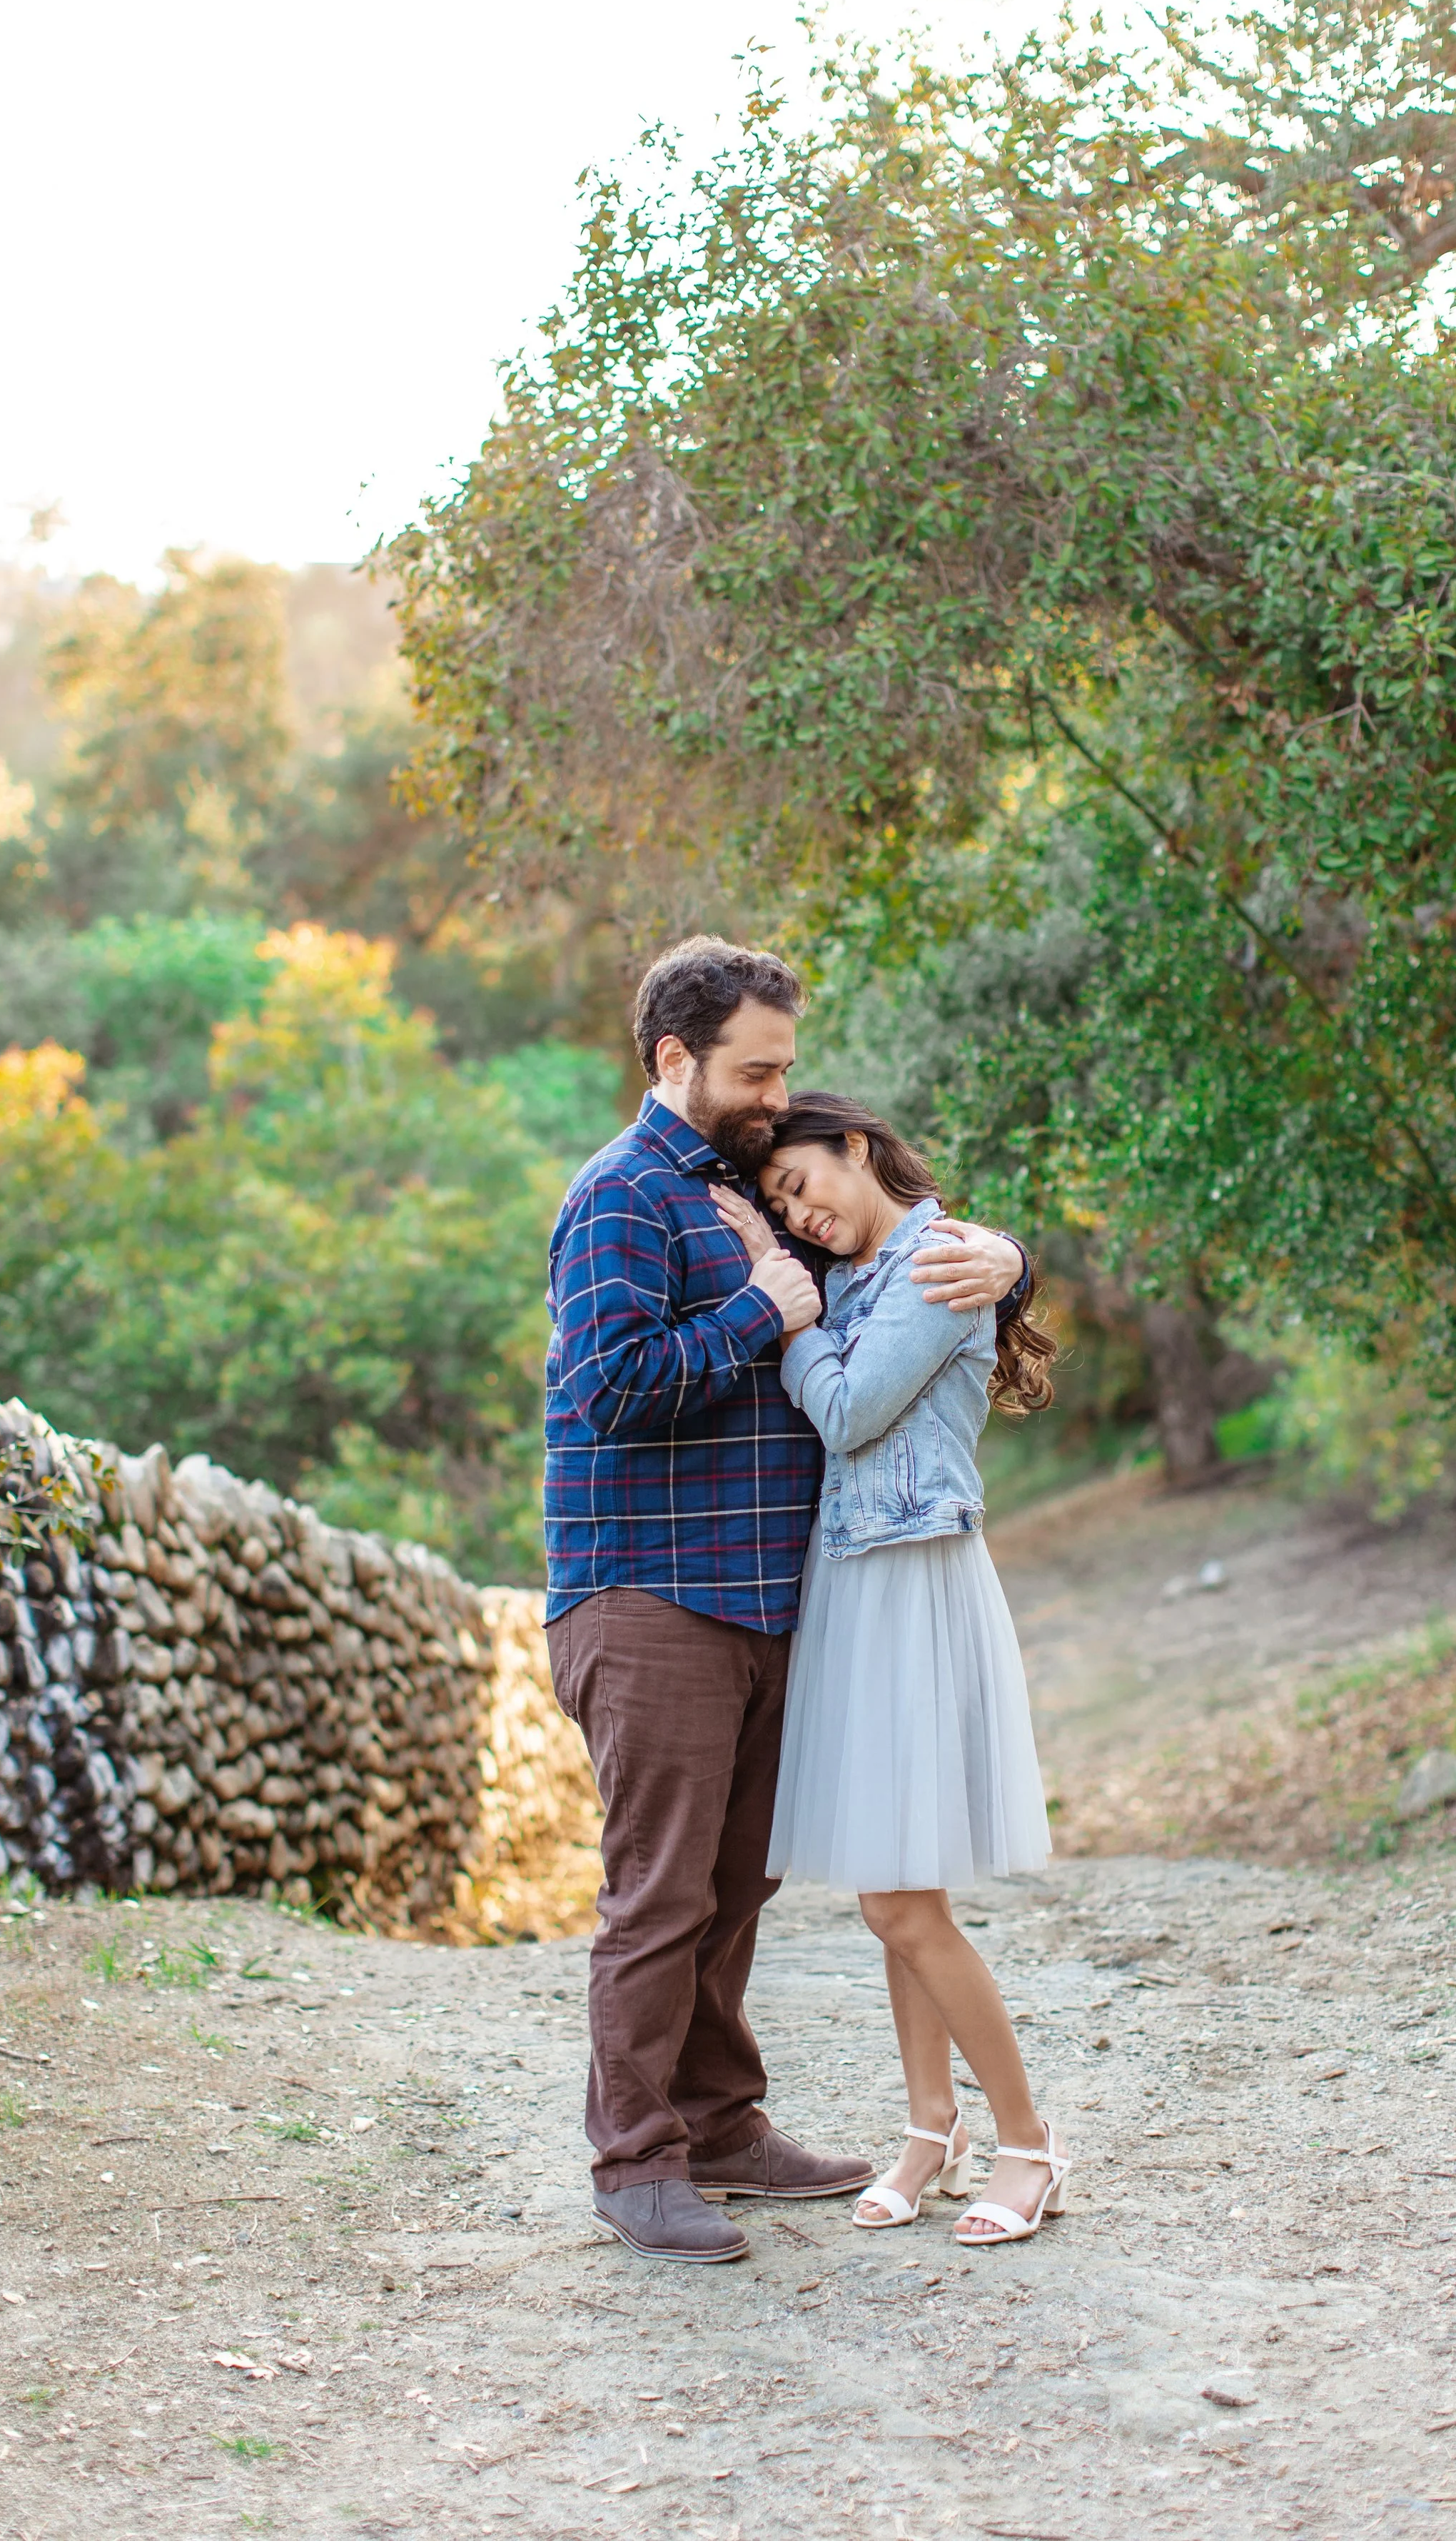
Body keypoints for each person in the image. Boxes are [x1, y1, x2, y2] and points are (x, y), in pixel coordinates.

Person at [542, 936, 1030, 2263]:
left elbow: (895, 1280)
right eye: (755, 1070)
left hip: (771, 1602)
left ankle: (720, 2122)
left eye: (786, 1071)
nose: (775, 1091)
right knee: (659, 1893)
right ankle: (637, 2160)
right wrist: (763, 1307)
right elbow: (616, 1388)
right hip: (650, 1593)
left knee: (732, 1886)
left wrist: (1008, 1261)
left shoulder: (740, 1187)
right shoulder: (623, 1198)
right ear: (674, 1059)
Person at [714, 1091, 1070, 2248]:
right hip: (858, 1584)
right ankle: (931, 2128)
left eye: (801, 1185)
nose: (798, 1215)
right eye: (776, 1209)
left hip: (915, 1582)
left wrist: (783, 1306)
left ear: (856, 1147)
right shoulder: (878, 1266)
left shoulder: (936, 1261)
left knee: (899, 1899)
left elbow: (854, 1413)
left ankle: (1028, 2141)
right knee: (894, 1888)